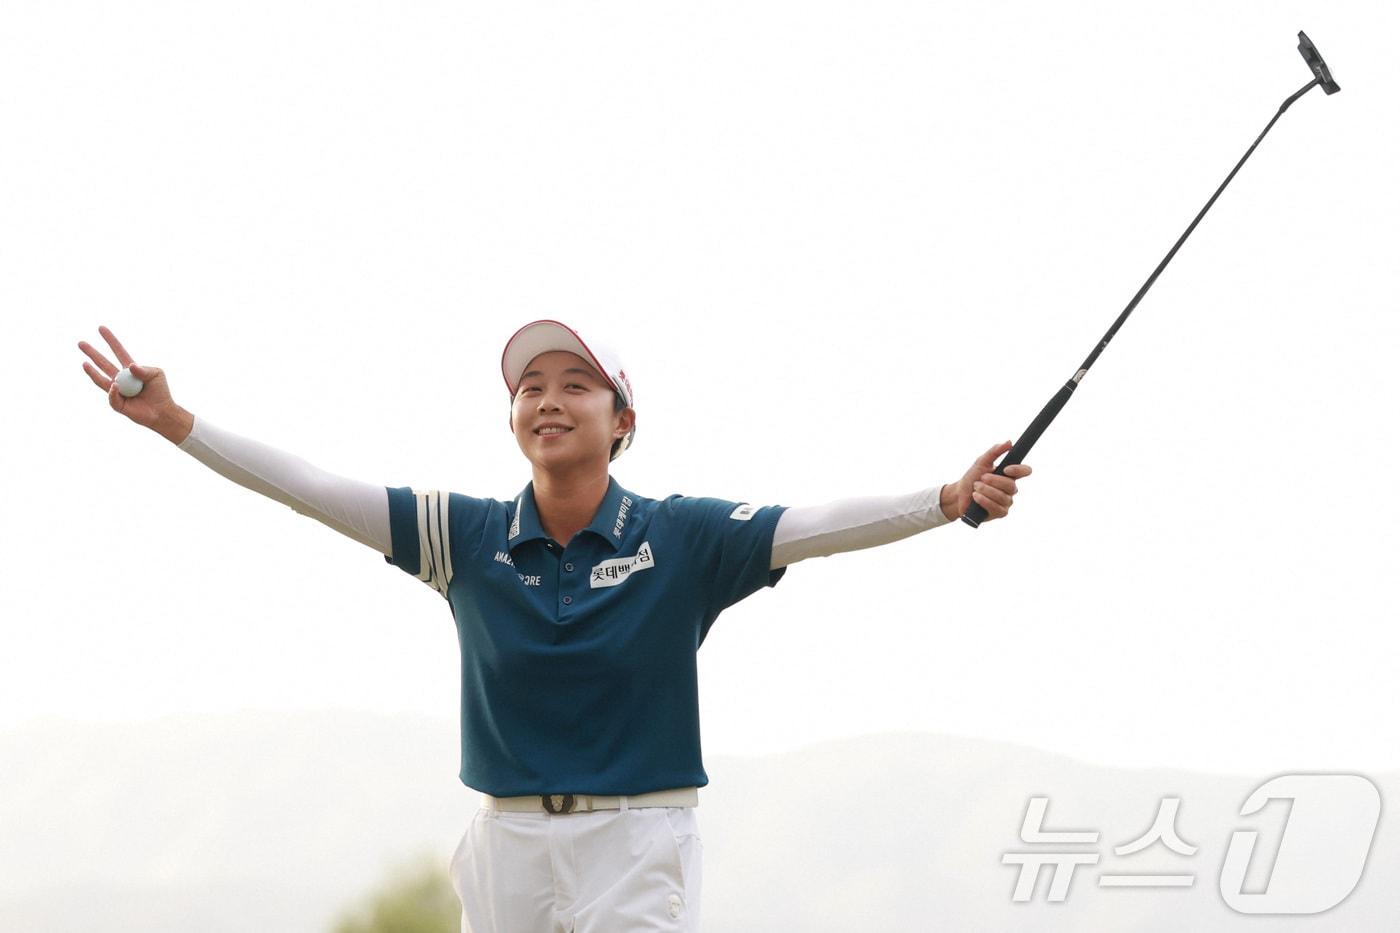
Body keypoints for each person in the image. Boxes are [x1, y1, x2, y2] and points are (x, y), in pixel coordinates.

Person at [78, 320, 1032, 932]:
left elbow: (817, 526)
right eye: (531, 384)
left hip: (638, 842)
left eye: (576, 383)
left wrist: (947, 497)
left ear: (622, 420)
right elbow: (313, 489)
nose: (548, 398)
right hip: (506, 849)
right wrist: (179, 423)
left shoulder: (683, 535)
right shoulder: (464, 535)